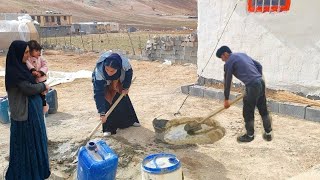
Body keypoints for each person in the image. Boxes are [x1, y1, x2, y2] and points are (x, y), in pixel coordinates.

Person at [5, 40, 51, 179]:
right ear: (18, 53)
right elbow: (27, 88)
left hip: (32, 114)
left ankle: (37, 172)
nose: (28, 55)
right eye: (25, 52)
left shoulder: (23, 67)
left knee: (35, 142)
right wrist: (43, 87)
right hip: (24, 115)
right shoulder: (14, 71)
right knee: (25, 145)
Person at [216, 46, 273, 143]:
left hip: (252, 85)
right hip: (260, 82)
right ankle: (268, 133)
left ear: (225, 54)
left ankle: (249, 135)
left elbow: (227, 81)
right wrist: (256, 78)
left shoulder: (229, 62)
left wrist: (226, 99)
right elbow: (259, 66)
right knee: (263, 108)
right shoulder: (242, 55)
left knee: (248, 111)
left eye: (221, 57)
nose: (222, 60)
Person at [92, 52, 140, 136]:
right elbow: (98, 93)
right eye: (107, 69)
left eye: (112, 71)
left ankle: (130, 121)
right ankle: (108, 128)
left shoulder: (125, 65)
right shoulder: (99, 72)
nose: (109, 73)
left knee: (122, 97)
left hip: (118, 79)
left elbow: (129, 74)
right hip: (104, 83)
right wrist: (102, 113)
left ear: (118, 68)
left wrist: (126, 87)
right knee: (107, 99)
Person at [26, 40, 49, 113]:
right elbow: (27, 64)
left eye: (39, 50)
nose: (39, 52)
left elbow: (45, 65)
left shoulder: (41, 58)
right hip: (33, 81)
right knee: (36, 95)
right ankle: (38, 107)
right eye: (36, 51)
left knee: (42, 94)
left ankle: (44, 106)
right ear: (30, 51)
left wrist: (41, 72)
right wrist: (32, 70)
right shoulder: (28, 58)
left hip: (41, 79)